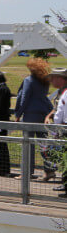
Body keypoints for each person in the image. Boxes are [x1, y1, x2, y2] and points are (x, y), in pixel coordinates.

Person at [15, 58, 56, 181]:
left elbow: (24, 98)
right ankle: (49, 171)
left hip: (30, 115)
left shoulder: (28, 80)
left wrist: (18, 114)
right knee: (44, 144)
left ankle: (26, 172)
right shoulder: (45, 81)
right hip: (43, 114)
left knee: (27, 144)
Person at [45, 68, 67, 197]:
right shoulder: (61, 91)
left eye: (54, 78)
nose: (52, 81)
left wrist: (57, 128)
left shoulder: (65, 92)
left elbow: (60, 113)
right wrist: (49, 116)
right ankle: (65, 183)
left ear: (61, 78)